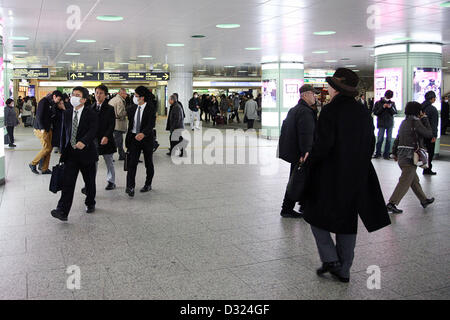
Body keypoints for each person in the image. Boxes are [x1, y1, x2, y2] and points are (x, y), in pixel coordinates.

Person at [303, 68, 391, 283]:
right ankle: (345, 268)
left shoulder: (331, 111)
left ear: (335, 88)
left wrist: (309, 161)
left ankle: (331, 259)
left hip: (331, 174)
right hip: (357, 174)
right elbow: (370, 143)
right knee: (347, 220)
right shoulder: (362, 111)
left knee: (314, 215)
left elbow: (323, 145)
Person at [50, 87, 99, 221]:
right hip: (70, 154)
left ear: (84, 99)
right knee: (68, 183)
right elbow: (64, 133)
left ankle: (90, 202)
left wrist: (84, 141)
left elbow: (93, 130)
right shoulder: (67, 113)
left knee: (89, 182)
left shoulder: (91, 113)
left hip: (86, 154)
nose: (73, 97)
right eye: (73, 94)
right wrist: (61, 149)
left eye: (77, 95)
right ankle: (62, 211)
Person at [386, 102, 435, 214]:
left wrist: (394, 153)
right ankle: (392, 203)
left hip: (402, 156)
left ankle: (424, 200)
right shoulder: (416, 122)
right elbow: (428, 133)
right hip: (410, 158)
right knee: (404, 181)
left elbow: (397, 138)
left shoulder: (404, 122)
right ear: (418, 111)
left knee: (414, 180)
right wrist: (425, 119)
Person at [278, 85, 318, 218]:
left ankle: (301, 206)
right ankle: (287, 208)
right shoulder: (305, 112)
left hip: (295, 152)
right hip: (302, 154)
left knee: (299, 179)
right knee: (297, 180)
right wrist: (305, 152)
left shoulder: (295, 109)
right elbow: (306, 133)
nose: (315, 96)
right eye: (313, 94)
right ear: (305, 95)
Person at [125, 86, 157, 198]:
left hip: (146, 139)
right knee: (132, 163)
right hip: (134, 139)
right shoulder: (131, 108)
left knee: (148, 163)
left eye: (136, 95)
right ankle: (130, 186)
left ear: (142, 97)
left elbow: (151, 124)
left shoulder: (150, 108)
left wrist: (143, 133)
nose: (134, 97)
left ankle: (148, 184)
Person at [90, 84, 117, 191]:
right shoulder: (90, 108)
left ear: (105, 95)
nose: (98, 95)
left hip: (106, 140)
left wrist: (106, 136)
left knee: (109, 161)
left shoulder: (110, 109)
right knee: (93, 163)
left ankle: (111, 181)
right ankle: (90, 182)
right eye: (97, 93)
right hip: (94, 140)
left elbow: (112, 125)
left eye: (101, 93)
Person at [29, 90, 63, 175]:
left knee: (49, 149)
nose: (58, 101)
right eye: (58, 99)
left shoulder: (52, 103)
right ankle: (33, 163)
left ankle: (44, 168)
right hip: (41, 129)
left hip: (48, 128)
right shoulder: (43, 102)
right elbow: (39, 116)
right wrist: (42, 128)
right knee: (46, 148)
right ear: (54, 96)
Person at [373, 90, 398, 160]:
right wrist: (383, 107)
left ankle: (386, 154)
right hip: (381, 123)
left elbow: (394, 112)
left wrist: (390, 108)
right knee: (380, 139)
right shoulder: (378, 103)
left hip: (389, 123)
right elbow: (375, 112)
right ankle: (378, 153)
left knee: (389, 140)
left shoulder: (392, 103)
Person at [421, 91, 439, 175]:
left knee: (419, 151)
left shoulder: (420, 107)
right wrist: (434, 135)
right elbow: (434, 124)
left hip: (420, 133)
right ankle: (427, 169)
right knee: (430, 152)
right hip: (429, 134)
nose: (435, 99)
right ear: (432, 99)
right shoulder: (433, 109)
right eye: (434, 98)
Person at [109, 88, 128, 161]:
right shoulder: (119, 101)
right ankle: (109, 156)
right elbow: (120, 113)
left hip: (112, 122)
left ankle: (122, 155)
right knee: (117, 141)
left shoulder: (113, 99)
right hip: (118, 124)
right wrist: (127, 112)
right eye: (125, 93)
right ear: (121, 93)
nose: (126, 95)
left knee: (118, 141)